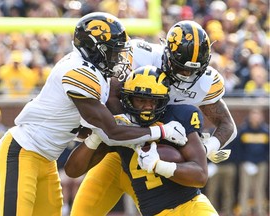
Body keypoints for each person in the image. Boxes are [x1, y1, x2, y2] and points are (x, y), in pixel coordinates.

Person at [0, 12, 187, 216]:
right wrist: (161, 132)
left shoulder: (96, 73)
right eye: (113, 51)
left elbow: (88, 127)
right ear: (96, 49)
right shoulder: (79, 71)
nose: (119, 57)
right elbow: (111, 132)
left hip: (47, 157)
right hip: (23, 149)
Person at [68, 20, 236, 215]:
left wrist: (207, 148)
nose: (186, 76)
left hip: (153, 161)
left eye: (192, 71)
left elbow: (227, 125)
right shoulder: (141, 56)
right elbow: (111, 99)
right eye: (181, 68)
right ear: (167, 54)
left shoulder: (202, 88)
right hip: (119, 149)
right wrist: (144, 132)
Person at [65, 66, 218, 215]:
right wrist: (97, 136)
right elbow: (73, 170)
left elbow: (200, 175)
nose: (147, 107)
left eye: (154, 101)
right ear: (128, 99)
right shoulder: (120, 127)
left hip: (191, 207)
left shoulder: (177, 118)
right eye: (140, 100)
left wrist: (159, 165)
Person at [237, 108, 269, 216]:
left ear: (261, 117)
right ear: (250, 117)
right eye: (253, 115)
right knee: (245, 188)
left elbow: (267, 149)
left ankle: (260, 211)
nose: (255, 117)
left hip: (261, 164)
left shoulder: (266, 131)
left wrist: (263, 161)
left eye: (257, 115)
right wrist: (245, 161)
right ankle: (244, 212)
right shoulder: (243, 130)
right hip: (246, 164)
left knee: (259, 189)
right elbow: (239, 149)